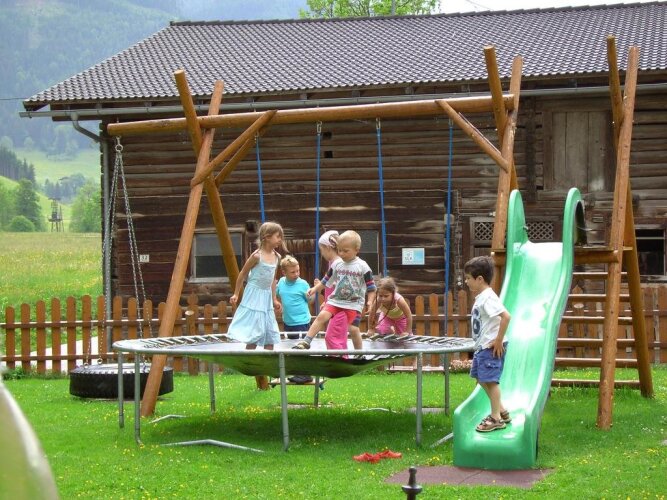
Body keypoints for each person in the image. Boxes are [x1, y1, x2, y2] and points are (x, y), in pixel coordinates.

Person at [293, 230, 376, 350]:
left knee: (353, 329)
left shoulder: (363, 267)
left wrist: (370, 301)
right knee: (321, 316)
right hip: (336, 300)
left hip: (354, 303)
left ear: (356, 250)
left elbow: (371, 287)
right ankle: (306, 341)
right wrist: (315, 288)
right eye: (339, 250)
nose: (341, 253)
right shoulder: (337, 264)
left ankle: (359, 353)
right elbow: (326, 280)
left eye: (345, 251)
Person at [464, 255, 512, 432]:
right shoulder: (481, 297)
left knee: (491, 381)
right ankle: (502, 410)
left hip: (491, 347)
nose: (466, 282)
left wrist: (498, 340)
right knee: (480, 378)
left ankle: (496, 418)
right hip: (482, 347)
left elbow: (506, 316)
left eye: (468, 278)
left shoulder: (488, 297)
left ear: (479, 279)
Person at [227, 221, 284, 353]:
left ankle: (268, 360)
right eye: (277, 236)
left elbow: (273, 280)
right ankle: (250, 358)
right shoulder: (256, 256)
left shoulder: (277, 257)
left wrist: (274, 299)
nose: (280, 240)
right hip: (254, 294)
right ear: (267, 237)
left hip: (266, 295)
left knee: (269, 331)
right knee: (254, 329)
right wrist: (236, 293)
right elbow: (243, 273)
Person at [276, 255, 314, 384]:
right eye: (293, 272)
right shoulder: (281, 282)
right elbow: (276, 294)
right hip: (288, 321)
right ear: (284, 272)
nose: (296, 274)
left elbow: (310, 300)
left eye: (298, 271)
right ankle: (299, 373)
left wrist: (313, 293)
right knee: (292, 349)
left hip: (302, 322)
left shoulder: (302, 284)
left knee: (301, 349)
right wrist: (276, 303)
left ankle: (306, 374)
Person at [316, 230, 350, 350]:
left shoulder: (338, 263)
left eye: (322, 250)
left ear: (328, 247)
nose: (322, 253)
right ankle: (342, 359)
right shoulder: (333, 263)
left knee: (331, 337)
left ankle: (338, 360)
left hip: (340, 307)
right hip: (335, 306)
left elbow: (341, 286)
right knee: (339, 338)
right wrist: (326, 302)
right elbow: (331, 287)